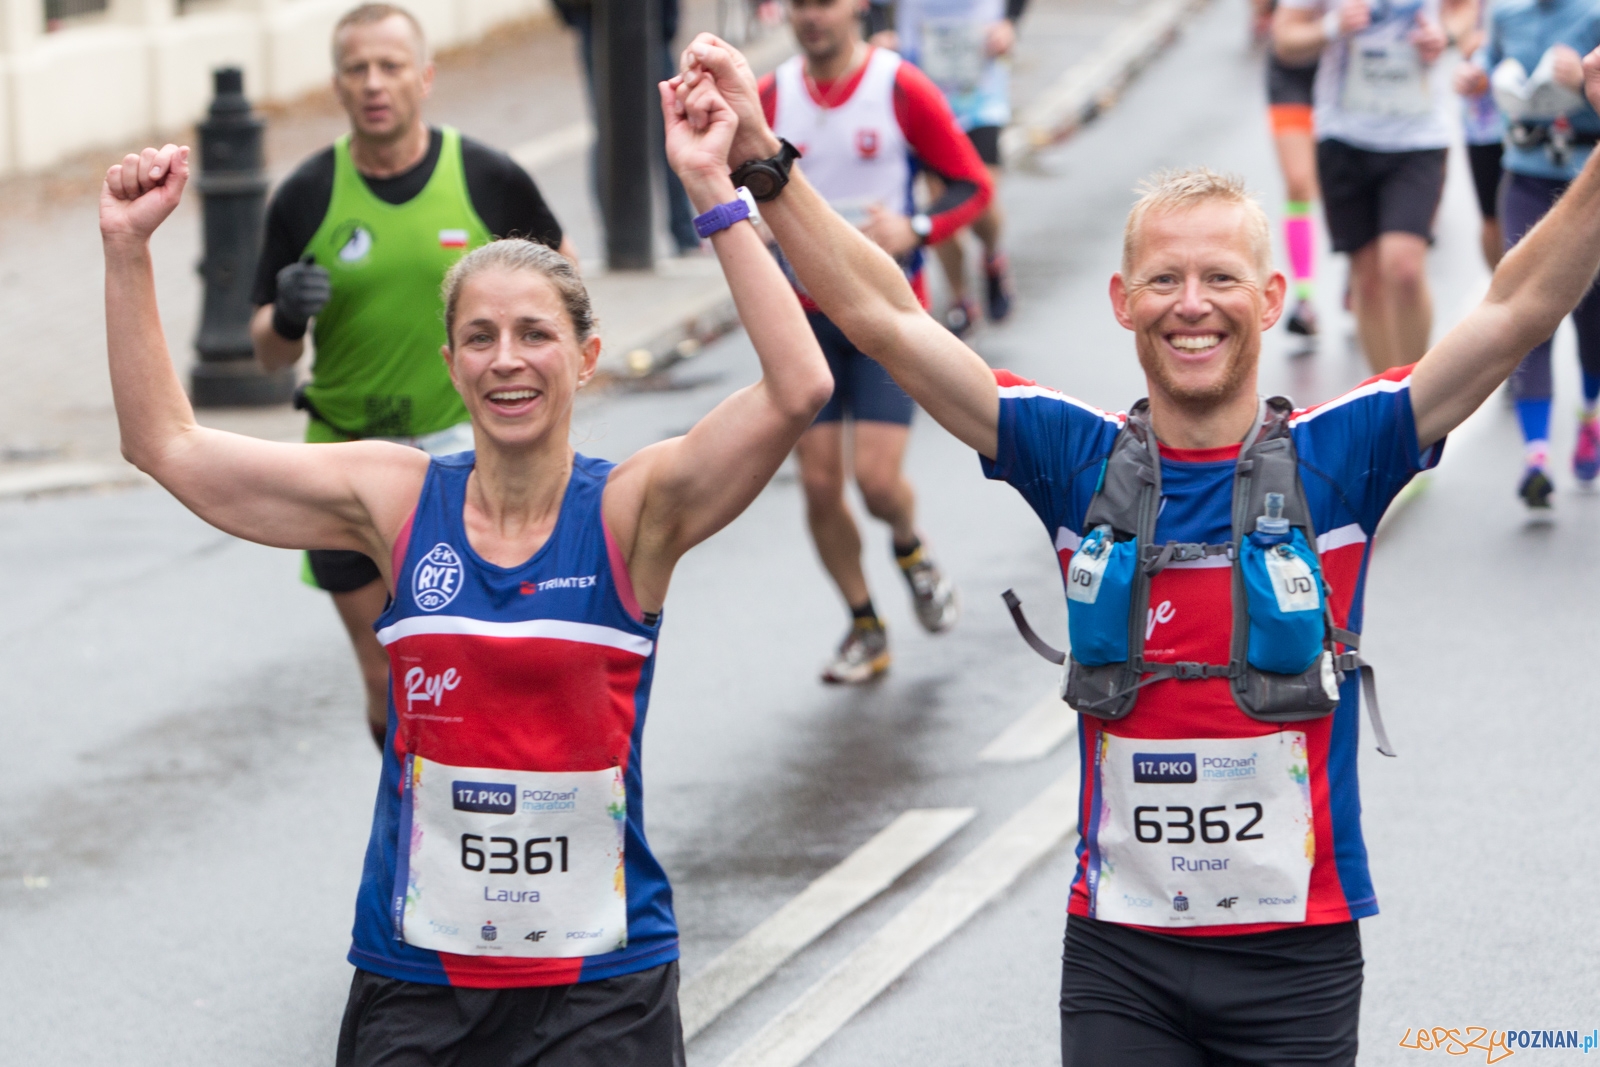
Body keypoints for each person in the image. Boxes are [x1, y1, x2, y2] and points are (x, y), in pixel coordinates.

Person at [675, 33, 1600, 1063]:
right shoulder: (1074, 457)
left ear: (1269, 298)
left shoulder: (1345, 451)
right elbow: (883, 316)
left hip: (1296, 955)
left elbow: (1518, 308)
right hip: (1121, 957)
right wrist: (764, 160)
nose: (1190, 304)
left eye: (1218, 277)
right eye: (1162, 279)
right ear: (1123, 304)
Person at [102, 75, 831, 1064]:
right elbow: (168, 446)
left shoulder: (631, 512)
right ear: (451, 363)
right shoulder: (398, 500)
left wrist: (713, 183)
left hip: (598, 985)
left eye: (535, 334)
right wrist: (125, 250)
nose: (506, 360)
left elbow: (800, 385)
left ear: (585, 357)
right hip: (420, 982)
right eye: (481, 337)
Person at [251, 3, 576, 747]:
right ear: (336, 84)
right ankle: (411, 813)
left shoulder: (486, 178)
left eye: (391, 66)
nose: (374, 83)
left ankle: (481, 795)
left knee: (471, 655)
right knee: (387, 673)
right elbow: (266, 351)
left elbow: (565, 285)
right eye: (357, 68)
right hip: (342, 459)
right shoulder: (307, 194)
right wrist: (289, 317)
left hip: (461, 455)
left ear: (424, 78)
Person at [763, 0, 990, 683]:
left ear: (858, 5)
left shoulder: (898, 85)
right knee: (821, 484)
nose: (812, 18)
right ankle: (864, 623)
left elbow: (971, 185)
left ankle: (910, 549)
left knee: (878, 481)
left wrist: (914, 229)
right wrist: (753, 222)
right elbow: (727, 193)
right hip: (803, 319)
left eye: (825, 3)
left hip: (887, 316)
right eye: (800, 5)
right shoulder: (770, 94)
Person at [1273, 0, 1469, 372]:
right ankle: (1385, 400)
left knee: (1405, 267)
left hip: (1418, 135)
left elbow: (1465, 9)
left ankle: (1416, 395)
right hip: (1344, 136)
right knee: (1369, 280)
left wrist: (1447, 35)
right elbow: (1285, 38)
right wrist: (1332, 25)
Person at [1459, 0, 1600, 508]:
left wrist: (1583, 80)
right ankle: (1536, 456)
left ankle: (1589, 415)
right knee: (1527, 312)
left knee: (1592, 320)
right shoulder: (1505, 13)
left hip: (1587, 175)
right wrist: (1477, 78)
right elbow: (1491, 68)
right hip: (1526, 174)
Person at [868, 0, 1023, 333]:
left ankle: (993, 256)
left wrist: (1010, 22)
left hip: (979, 88)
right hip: (922, 85)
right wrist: (878, 31)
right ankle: (960, 299)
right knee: (942, 200)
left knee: (981, 194)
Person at [551, 0, 703, 254]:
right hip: (602, 23)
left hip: (629, 22)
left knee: (662, 124)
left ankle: (680, 231)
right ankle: (625, 238)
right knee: (628, 129)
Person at [1255, 0, 1322, 338]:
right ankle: (1304, 298)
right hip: (1291, 71)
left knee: (1340, 183)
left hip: (1350, 73)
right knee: (1299, 181)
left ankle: (1359, 277)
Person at [1448, 0, 1506, 273]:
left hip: (1541, 121)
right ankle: (1499, 291)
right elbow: (1459, 36)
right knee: (1492, 219)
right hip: (1484, 124)